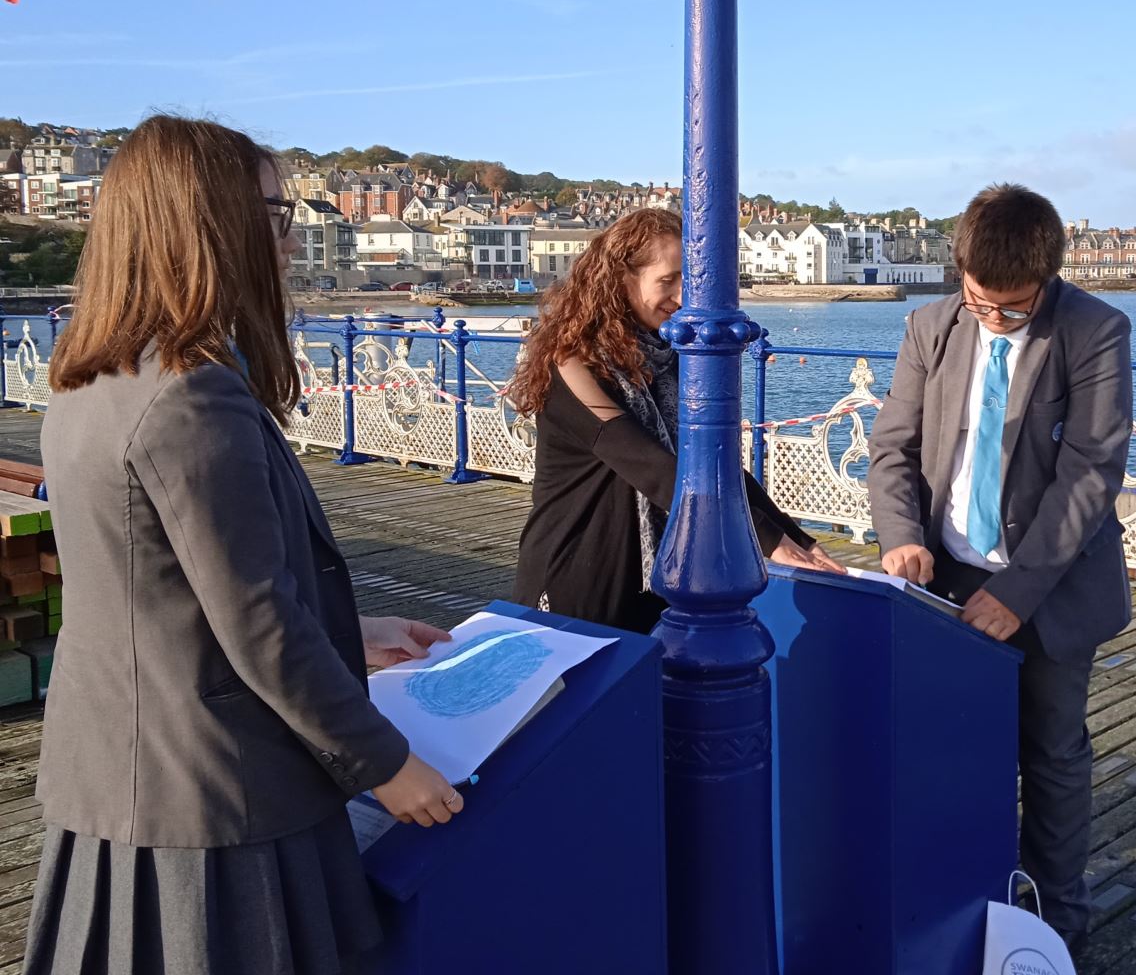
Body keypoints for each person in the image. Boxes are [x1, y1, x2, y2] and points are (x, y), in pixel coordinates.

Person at [25, 115, 462, 975]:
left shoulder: (91, 375)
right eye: (273, 213)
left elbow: (159, 582)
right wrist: (385, 765)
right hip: (217, 795)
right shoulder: (192, 394)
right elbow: (255, 620)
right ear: (206, 222)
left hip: (122, 771)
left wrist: (351, 628)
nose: (291, 237)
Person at [866, 183, 1133, 955]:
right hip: (942, 579)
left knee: (1051, 759)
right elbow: (894, 448)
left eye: (1012, 309)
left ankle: (1054, 930)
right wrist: (901, 536)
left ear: (1047, 278)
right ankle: (959, 903)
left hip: (1049, 591)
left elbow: (1090, 474)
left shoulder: (1095, 330)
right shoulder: (929, 325)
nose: (992, 318)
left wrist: (1015, 594)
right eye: (980, 300)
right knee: (945, 750)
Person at [506, 208, 843, 632]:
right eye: (667, 281)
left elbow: (712, 469)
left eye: (691, 280)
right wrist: (769, 541)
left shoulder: (668, 360)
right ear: (618, 281)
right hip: (579, 571)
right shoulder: (572, 364)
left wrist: (800, 540)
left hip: (656, 577)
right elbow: (652, 467)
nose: (683, 298)